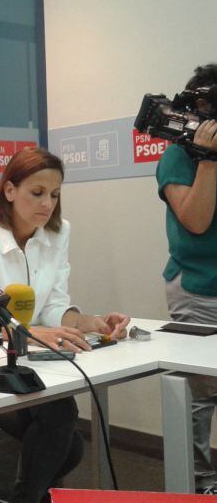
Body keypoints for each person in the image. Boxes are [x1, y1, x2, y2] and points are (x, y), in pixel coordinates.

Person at [0, 147, 129, 503]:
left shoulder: (58, 233)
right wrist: (30, 333)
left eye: (55, 194)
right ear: (9, 190)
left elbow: (55, 307)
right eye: (37, 192)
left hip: (31, 358)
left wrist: (90, 322)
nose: (47, 204)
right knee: (62, 421)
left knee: (66, 440)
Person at [157, 63, 217, 495]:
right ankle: (197, 485)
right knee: (200, 398)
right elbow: (195, 221)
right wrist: (209, 160)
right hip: (197, 290)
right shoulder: (177, 157)